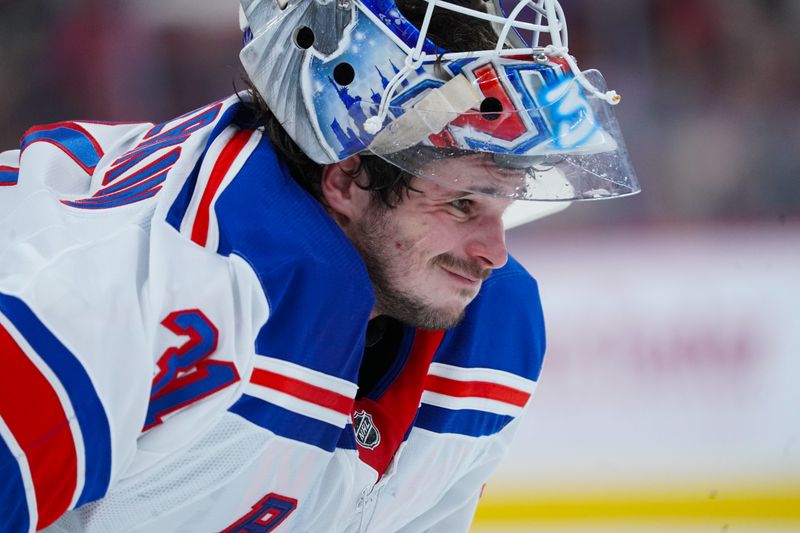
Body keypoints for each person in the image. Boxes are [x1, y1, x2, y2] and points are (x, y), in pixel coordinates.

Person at [0, 0, 639, 531]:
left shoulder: (493, 335)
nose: (494, 252)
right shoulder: (124, 291)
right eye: (463, 202)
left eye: (505, 202)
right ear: (348, 176)